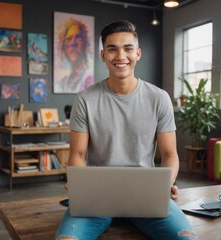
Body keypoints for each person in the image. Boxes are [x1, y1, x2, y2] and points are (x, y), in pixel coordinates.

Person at [55, 20, 197, 240]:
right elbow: (78, 155)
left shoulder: (159, 98)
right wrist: (77, 182)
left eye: (128, 48)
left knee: (186, 238)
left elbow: (170, 155)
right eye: (112, 49)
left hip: (147, 197)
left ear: (138, 53)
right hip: (96, 198)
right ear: (103, 55)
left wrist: (167, 184)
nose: (120, 56)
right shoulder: (85, 100)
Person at [54, 18, 94, 93]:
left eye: (79, 39)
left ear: (85, 44)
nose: (73, 44)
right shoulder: (64, 82)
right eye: (69, 39)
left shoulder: (89, 77)